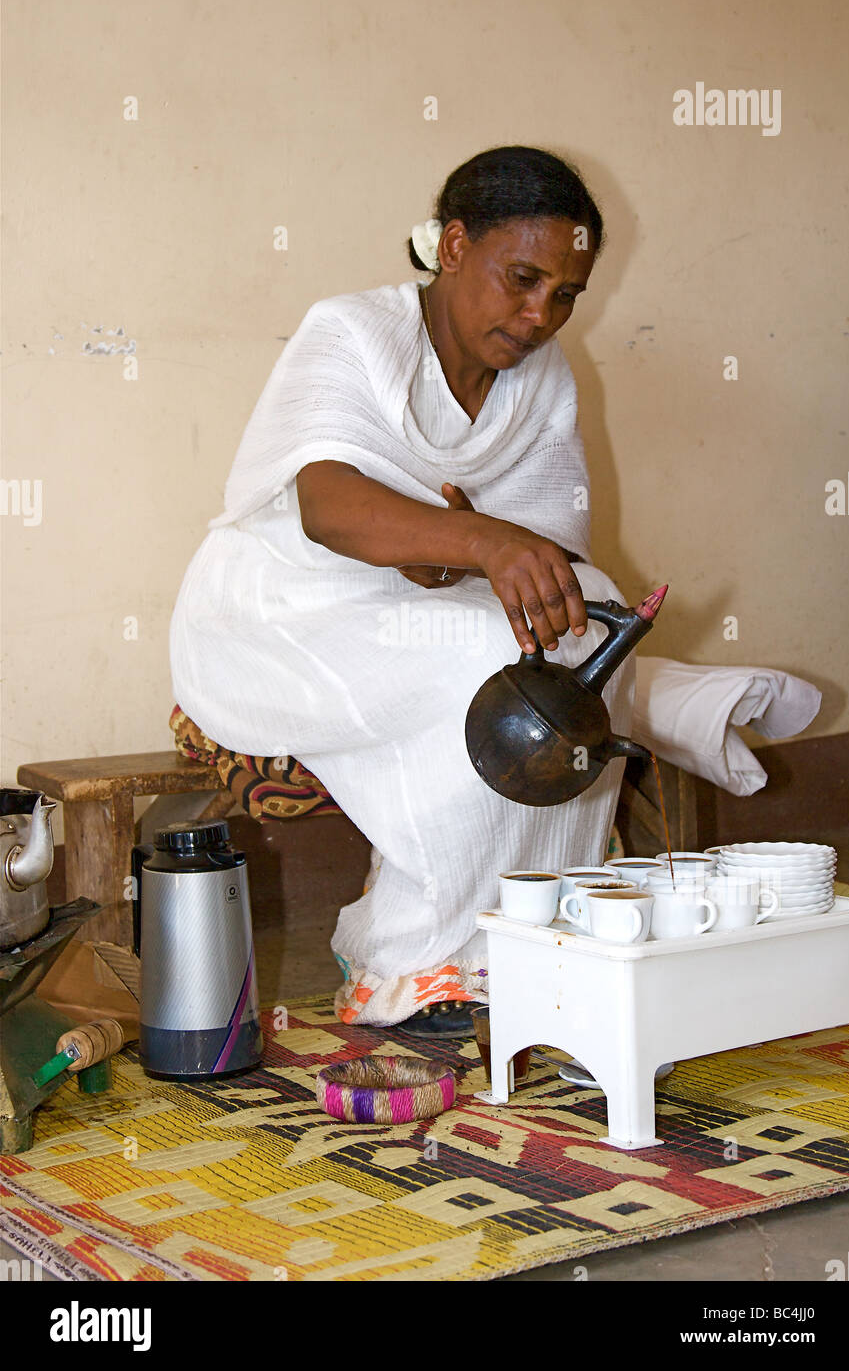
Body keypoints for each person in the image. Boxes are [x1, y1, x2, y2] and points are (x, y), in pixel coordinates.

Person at [170, 145, 635, 1037]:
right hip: (275, 615)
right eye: (522, 278)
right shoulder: (352, 331)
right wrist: (472, 541)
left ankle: (524, 948)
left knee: (580, 635)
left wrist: (457, 555)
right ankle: (410, 966)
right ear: (453, 246)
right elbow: (327, 506)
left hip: (409, 609)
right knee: (489, 656)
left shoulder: (543, 380)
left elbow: (550, 548)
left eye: (565, 294)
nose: (541, 315)